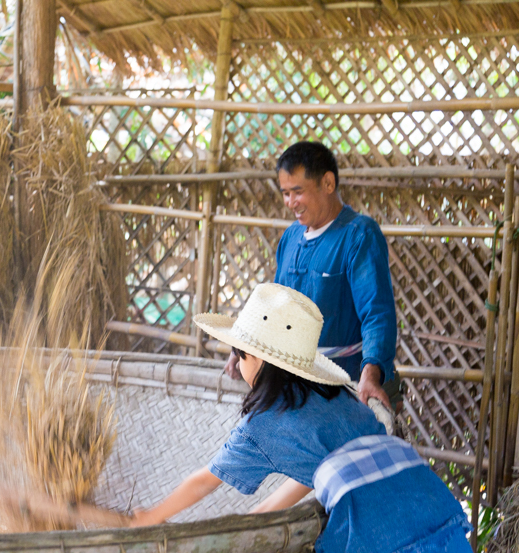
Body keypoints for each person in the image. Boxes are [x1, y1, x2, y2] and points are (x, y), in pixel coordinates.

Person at [132, 283, 471, 553]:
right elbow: (314, 476)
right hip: (437, 513)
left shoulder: (264, 424)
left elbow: (205, 481)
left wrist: (149, 519)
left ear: (256, 358)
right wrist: (250, 524)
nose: (236, 362)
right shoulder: (338, 398)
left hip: (379, 535)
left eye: (238, 353)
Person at [224, 141, 399, 409]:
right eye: (285, 193)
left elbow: (377, 314)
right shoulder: (291, 237)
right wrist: (248, 348)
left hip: (343, 387)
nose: (290, 202)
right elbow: (277, 306)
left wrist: (370, 375)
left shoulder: (359, 235)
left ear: (328, 183)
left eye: (297, 192)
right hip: (291, 385)